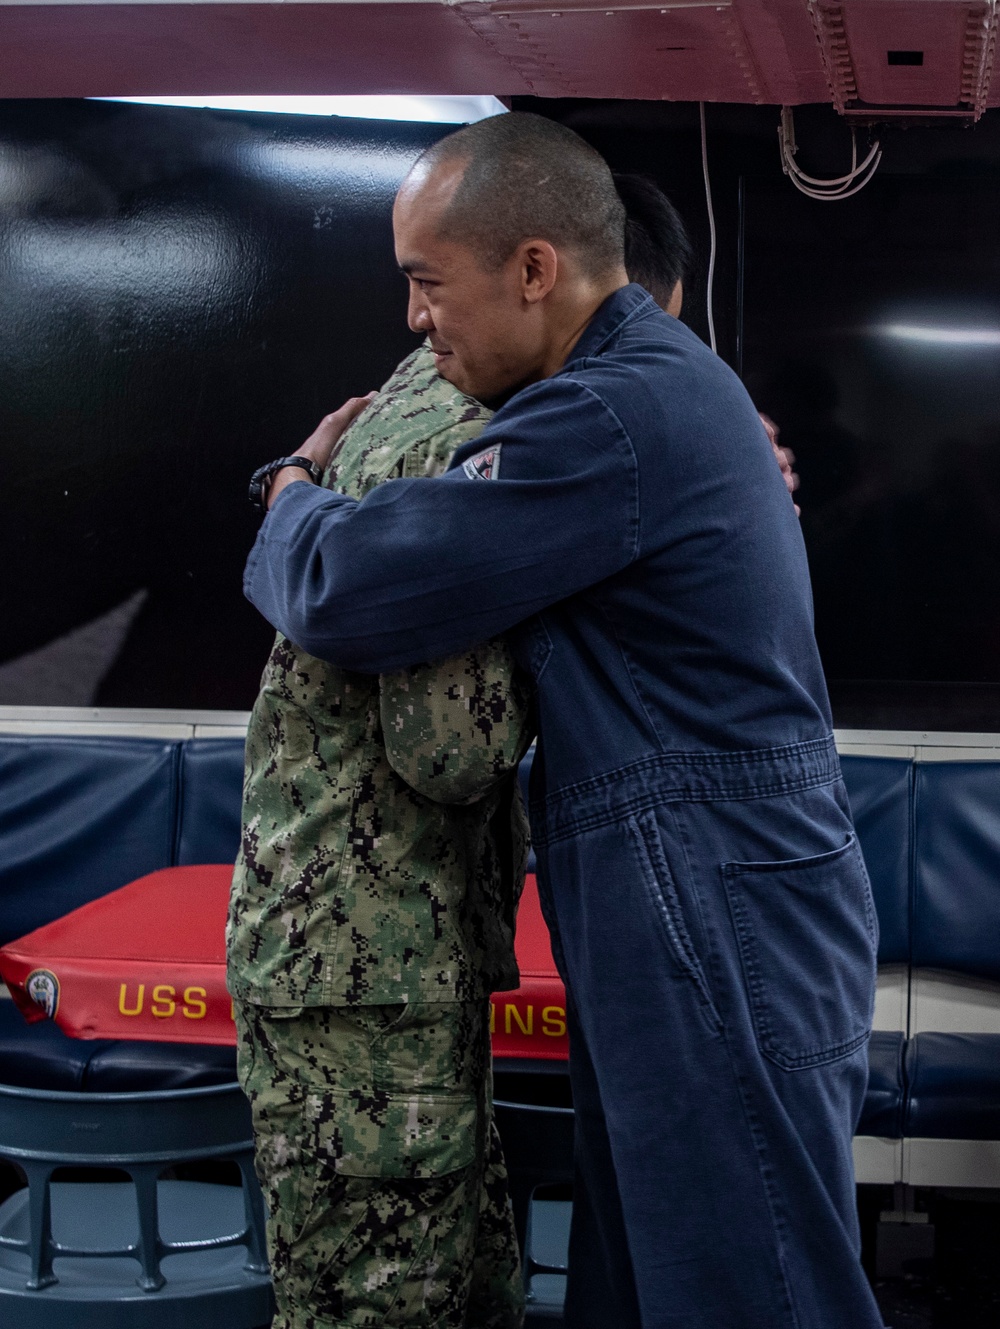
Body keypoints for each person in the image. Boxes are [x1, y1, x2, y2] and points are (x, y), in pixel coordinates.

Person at [244, 112, 883, 1329]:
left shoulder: (605, 418)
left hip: (708, 887)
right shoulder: (654, 392)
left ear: (534, 269)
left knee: (746, 1274)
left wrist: (288, 494)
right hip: (694, 880)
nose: (416, 322)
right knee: (657, 1260)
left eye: (429, 284)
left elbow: (353, 589)